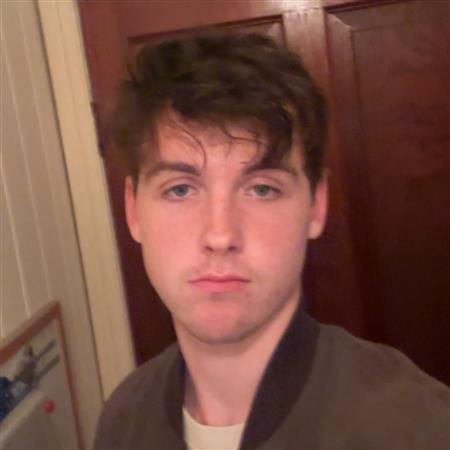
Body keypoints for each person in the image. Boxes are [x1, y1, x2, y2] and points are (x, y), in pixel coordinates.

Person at [93, 32, 449, 450]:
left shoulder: (418, 428)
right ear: (134, 211)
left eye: (262, 189)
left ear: (316, 206)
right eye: (180, 190)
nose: (220, 235)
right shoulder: (123, 419)